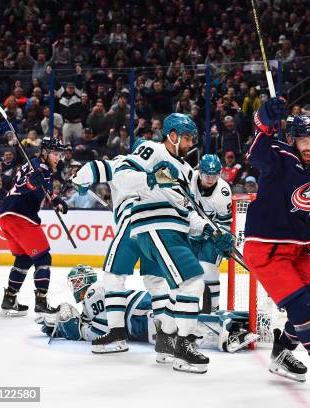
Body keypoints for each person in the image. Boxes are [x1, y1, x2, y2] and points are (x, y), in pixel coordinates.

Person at [112, 113, 233, 374]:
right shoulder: (151, 149)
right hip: (157, 225)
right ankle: (184, 349)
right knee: (193, 281)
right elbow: (121, 176)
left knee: (170, 290)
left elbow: (188, 212)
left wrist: (213, 232)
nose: (191, 143)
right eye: (187, 137)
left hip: (174, 229)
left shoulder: (188, 171)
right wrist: (149, 178)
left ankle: (166, 342)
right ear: (173, 135)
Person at [243, 100, 310, 387]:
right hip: (267, 248)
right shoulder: (277, 155)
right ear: (291, 140)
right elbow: (256, 150)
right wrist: (265, 119)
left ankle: (282, 352)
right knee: (301, 306)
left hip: (297, 248)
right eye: (304, 140)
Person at [36, 265, 257, 352]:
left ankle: (225, 335)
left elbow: (102, 331)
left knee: (175, 330)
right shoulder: (93, 296)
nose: (75, 286)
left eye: (77, 281)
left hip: (140, 316)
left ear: (87, 280)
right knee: (184, 317)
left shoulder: (94, 291)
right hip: (142, 309)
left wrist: (74, 329)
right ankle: (241, 318)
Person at [71, 150, 141, 354]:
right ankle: (167, 341)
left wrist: (79, 181)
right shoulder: (158, 164)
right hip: (158, 225)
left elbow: (92, 169)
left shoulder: (123, 162)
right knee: (156, 281)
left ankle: (117, 336)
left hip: (133, 219)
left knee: (113, 277)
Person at [0, 137, 68, 317]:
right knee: (43, 258)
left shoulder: (43, 169)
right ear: (45, 152)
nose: (58, 157)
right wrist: (31, 183)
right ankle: (41, 302)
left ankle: (10, 298)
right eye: (55, 153)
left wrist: (56, 199)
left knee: (24, 258)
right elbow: (23, 184)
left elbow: (43, 188)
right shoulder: (37, 166)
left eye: (59, 154)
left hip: (7, 216)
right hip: (21, 216)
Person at [189, 154, 233, 313]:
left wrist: (223, 238)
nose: (211, 179)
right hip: (191, 233)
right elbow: (184, 211)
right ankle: (188, 308)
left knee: (209, 271)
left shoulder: (223, 191)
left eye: (215, 175)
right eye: (208, 174)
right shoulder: (189, 180)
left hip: (210, 236)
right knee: (188, 274)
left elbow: (225, 222)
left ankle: (212, 310)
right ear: (200, 172)